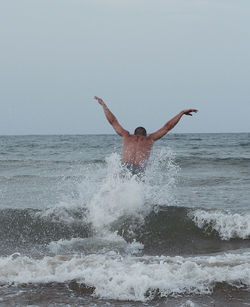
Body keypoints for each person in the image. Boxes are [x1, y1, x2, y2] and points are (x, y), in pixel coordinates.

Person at [94, 96, 197, 176]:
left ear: (134, 134)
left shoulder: (127, 136)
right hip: (139, 169)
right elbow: (167, 127)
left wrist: (103, 105)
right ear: (145, 135)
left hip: (125, 167)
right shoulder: (150, 139)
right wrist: (181, 113)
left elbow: (113, 121)